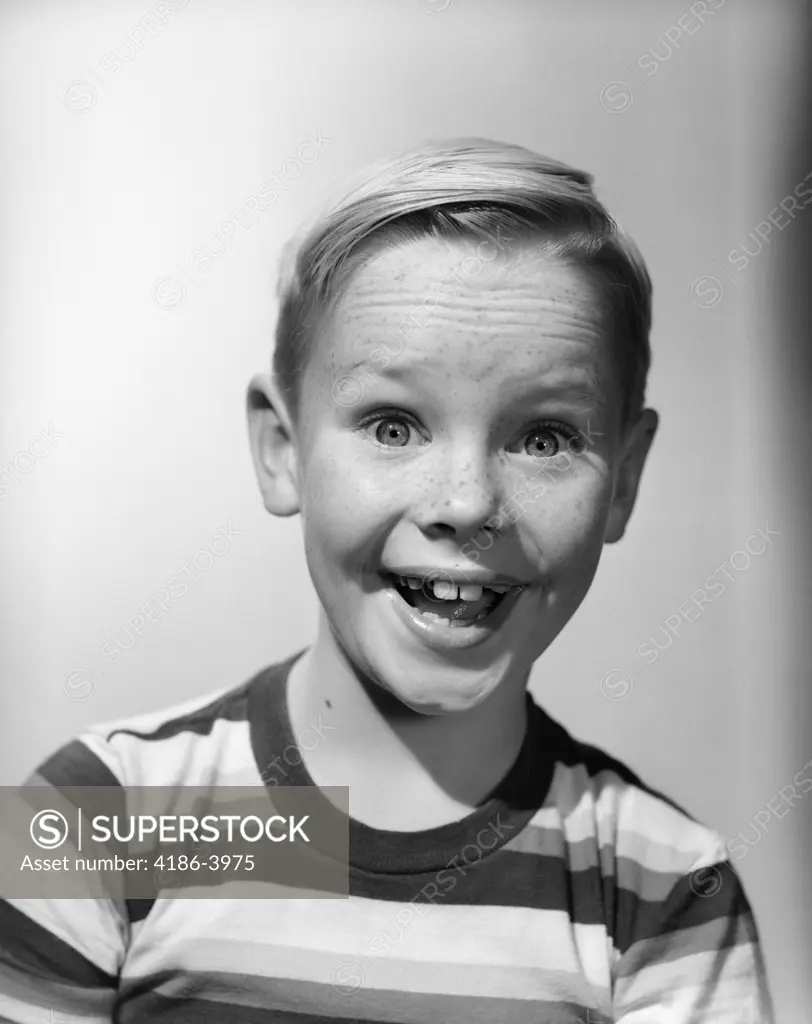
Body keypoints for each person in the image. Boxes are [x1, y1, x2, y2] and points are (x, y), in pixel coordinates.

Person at [0, 138, 773, 1022]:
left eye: (545, 437)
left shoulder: (666, 892)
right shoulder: (93, 820)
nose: (466, 501)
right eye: (394, 425)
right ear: (283, 450)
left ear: (624, 481)